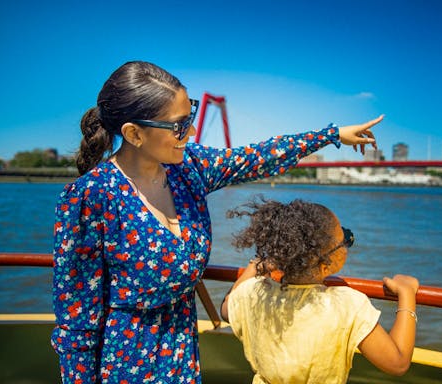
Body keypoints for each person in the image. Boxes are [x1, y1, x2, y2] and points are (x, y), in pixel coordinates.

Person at [51, 60, 384, 384]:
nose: (192, 131)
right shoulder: (89, 198)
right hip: (126, 365)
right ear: (134, 133)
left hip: (184, 356)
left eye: (191, 115)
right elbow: (78, 321)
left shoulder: (189, 169)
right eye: (179, 125)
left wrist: (331, 134)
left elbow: (257, 157)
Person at [221, 197, 419, 383]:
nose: (347, 244)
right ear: (326, 265)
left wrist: (257, 266)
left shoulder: (254, 293)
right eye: (346, 240)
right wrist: (407, 294)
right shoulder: (347, 306)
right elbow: (397, 363)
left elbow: (226, 308)